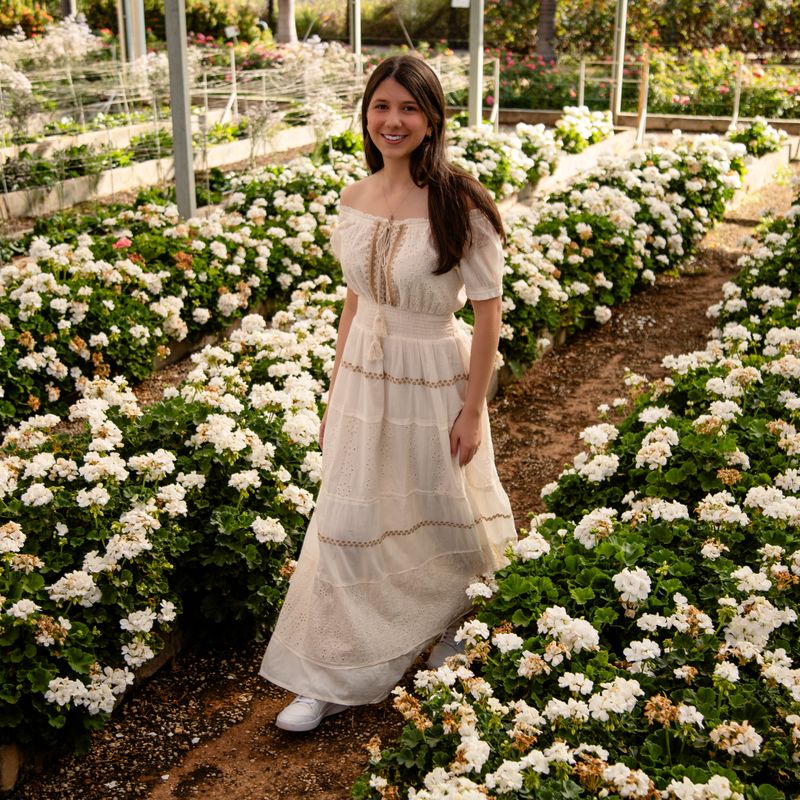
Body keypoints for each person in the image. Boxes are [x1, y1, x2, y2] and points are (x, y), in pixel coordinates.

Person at [259, 54, 516, 732]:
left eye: (408, 108)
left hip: (433, 376)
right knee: (345, 527)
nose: (392, 121)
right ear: (366, 115)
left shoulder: (462, 204)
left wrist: (472, 409)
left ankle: (455, 629)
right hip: (364, 380)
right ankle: (332, 676)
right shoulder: (355, 198)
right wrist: (335, 390)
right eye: (381, 107)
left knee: (442, 520)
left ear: (432, 119)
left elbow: (487, 311)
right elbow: (354, 302)